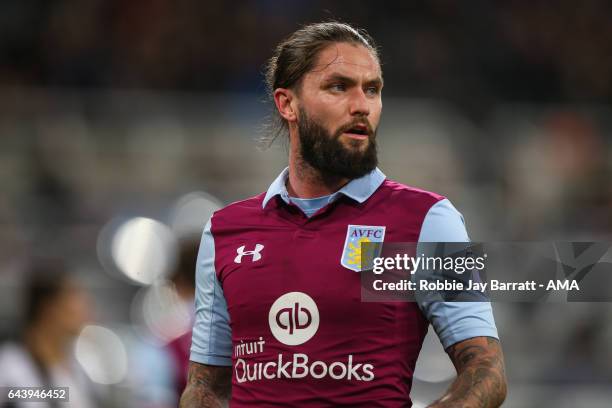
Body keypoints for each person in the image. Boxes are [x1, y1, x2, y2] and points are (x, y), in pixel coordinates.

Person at [180, 22, 507, 407]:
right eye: (339, 87)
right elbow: (204, 387)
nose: (361, 105)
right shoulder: (225, 232)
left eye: (372, 89)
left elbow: (486, 370)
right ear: (288, 103)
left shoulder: (428, 220)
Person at [0, 260, 98, 408]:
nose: (85, 309)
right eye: (75, 298)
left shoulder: (76, 369)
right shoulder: (13, 365)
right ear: (49, 308)